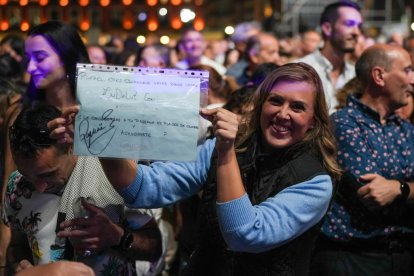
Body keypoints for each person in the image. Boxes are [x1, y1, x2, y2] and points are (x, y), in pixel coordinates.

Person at [51, 62, 339, 275]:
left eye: (298, 107)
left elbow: (245, 234)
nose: (283, 113)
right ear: (262, 105)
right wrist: (100, 135)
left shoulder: (316, 181)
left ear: (314, 121)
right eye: (275, 101)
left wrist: (226, 151)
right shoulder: (225, 148)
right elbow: (146, 189)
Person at [3, 104, 162, 275]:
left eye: (48, 174)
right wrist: (21, 265)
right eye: (27, 175)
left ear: (70, 146)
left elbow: (155, 248)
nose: (39, 187)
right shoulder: (17, 186)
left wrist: (117, 236)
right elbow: (17, 244)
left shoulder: (113, 175)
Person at [311, 44, 414, 276]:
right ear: (379, 76)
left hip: (403, 256)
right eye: (407, 70)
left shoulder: (405, 128)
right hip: (353, 259)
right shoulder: (345, 123)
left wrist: (399, 188)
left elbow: (390, 192)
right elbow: (374, 194)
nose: (413, 79)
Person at [0, 21, 91, 275]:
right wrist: (7, 260)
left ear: (67, 55)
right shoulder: (21, 111)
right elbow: (12, 180)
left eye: (39, 58)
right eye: (28, 59)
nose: (30, 68)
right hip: (40, 243)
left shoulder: (95, 111)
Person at [295, 1, 363, 114]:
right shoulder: (299, 70)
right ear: (327, 28)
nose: (356, 32)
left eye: (359, 26)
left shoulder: (356, 75)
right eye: (349, 24)